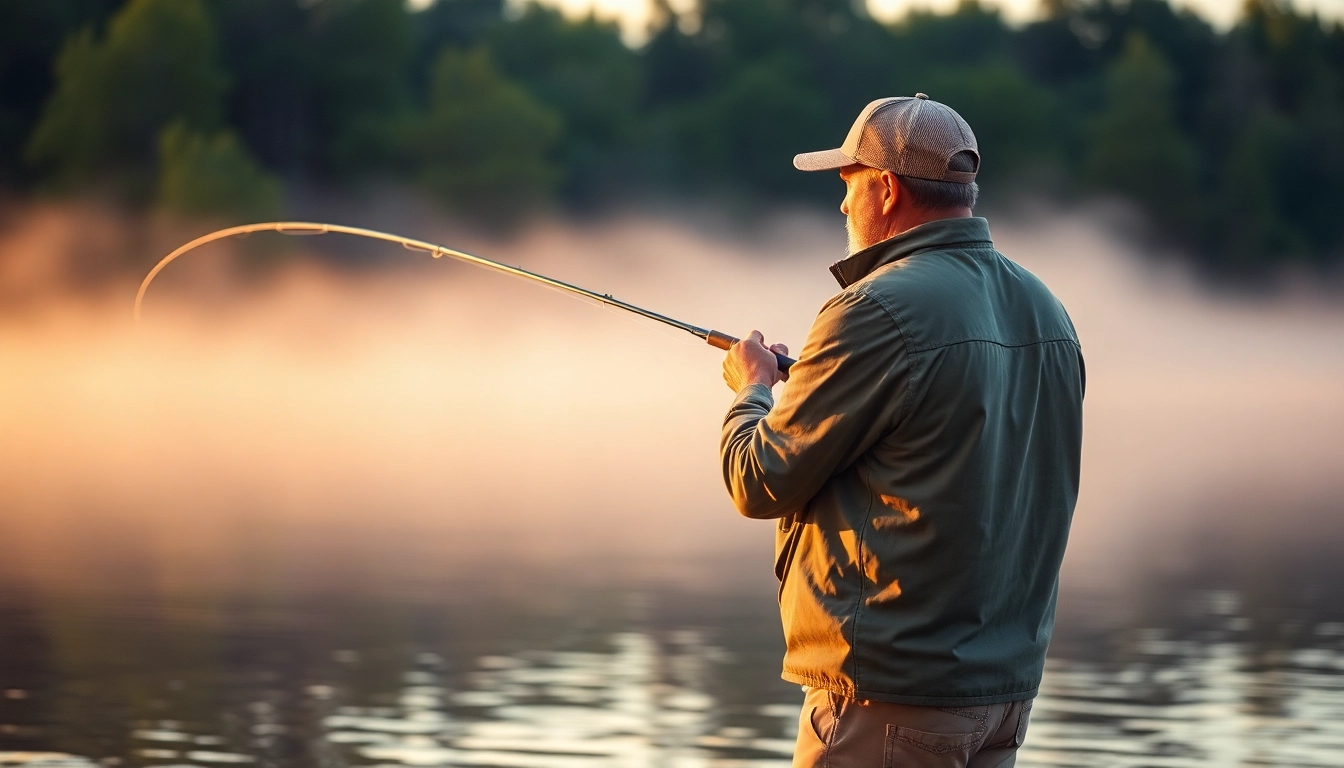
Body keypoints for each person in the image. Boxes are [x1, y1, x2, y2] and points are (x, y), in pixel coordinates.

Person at [718, 95, 1085, 768]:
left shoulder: (873, 309)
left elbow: (759, 479)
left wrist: (754, 389)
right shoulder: (1048, 311)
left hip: (886, 700)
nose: (841, 206)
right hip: (1001, 699)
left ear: (885, 189)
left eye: (847, 184)